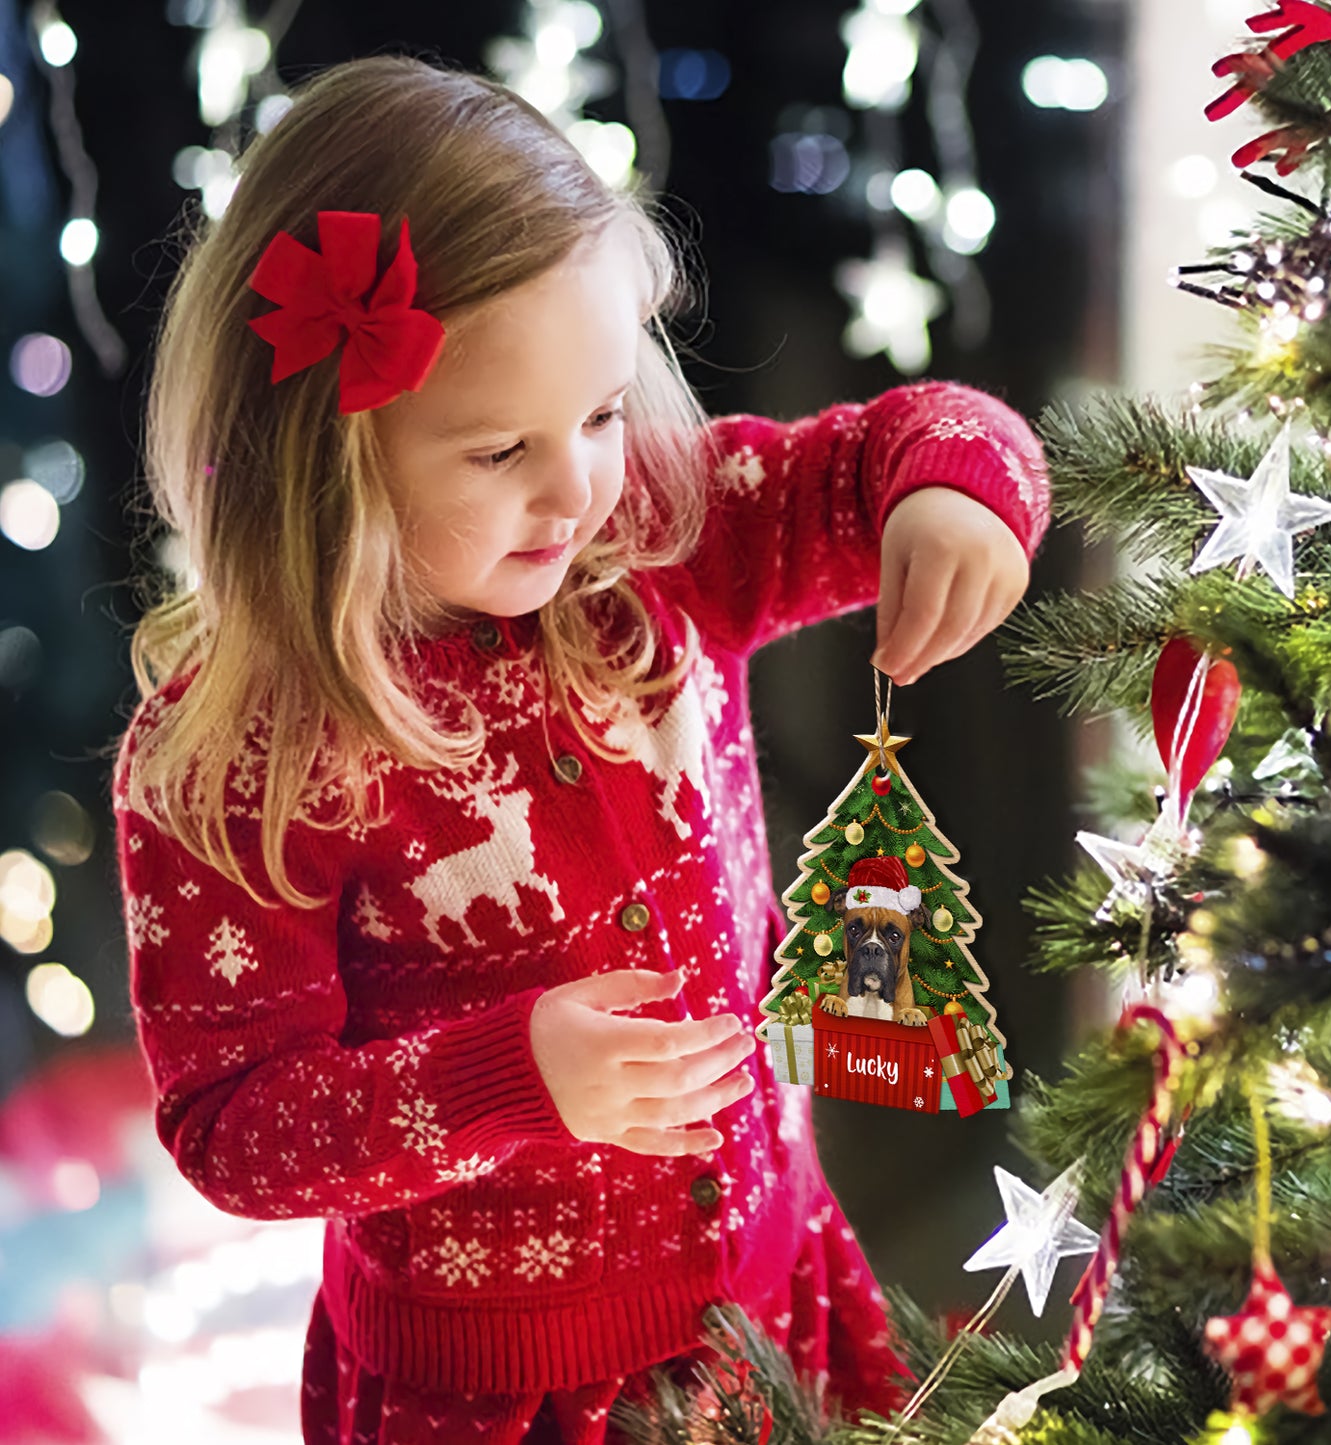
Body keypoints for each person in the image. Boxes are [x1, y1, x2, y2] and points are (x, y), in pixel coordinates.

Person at [111, 54, 1051, 1445]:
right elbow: (234, 1128)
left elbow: (905, 443)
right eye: (499, 452)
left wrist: (957, 496)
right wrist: (510, 1076)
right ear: (321, 455)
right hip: (501, 1390)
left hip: (765, 1285)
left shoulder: (660, 542)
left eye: (604, 412)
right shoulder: (236, 753)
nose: (577, 487)